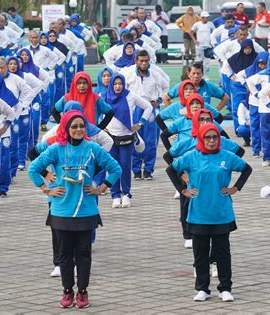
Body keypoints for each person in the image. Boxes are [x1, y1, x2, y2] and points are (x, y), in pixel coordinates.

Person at [28, 110, 121, 309]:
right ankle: (67, 291)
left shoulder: (93, 148)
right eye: (74, 126)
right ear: (66, 128)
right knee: (64, 255)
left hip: (86, 210)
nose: (78, 129)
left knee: (84, 254)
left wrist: (101, 188)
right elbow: (33, 167)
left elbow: (116, 168)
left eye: (81, 126)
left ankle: (83, 292)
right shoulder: (57, 148)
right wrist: (46, 189)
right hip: (61, 210)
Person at [166, 123, 252, 302]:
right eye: (207, 137)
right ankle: (202, 288)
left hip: (221, 213)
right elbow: (171, 169)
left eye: (214, 137)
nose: (211, 141)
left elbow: (247, 169)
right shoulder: (191, 156)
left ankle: (225, 288)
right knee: (200, 253)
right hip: (198, 213)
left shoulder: (227, 157)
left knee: (222, 253)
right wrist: (183, 190)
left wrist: (236, 188)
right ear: (201, 138)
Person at [120, 49, 169, 180]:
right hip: (134, 109)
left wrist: (158, 100)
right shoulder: (128, 73)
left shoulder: (154, 74)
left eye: (146, 61)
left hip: (150, 109)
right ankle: (136, 170)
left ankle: (148, 170)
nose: (144, 63)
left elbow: (166, 87)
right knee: (135, 139)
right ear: (136, 61)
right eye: (141, 61)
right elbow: (119, 87)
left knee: (150, 141)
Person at [104, 73, 151, 208]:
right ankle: (115, 195)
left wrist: (140, 123)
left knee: (125, 166)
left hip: (127, 137)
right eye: (115, 84)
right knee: (112, 167)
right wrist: (102, 128)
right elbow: (98, 112)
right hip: (110, 138)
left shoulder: (130, 95)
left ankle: (125, 194)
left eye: (120, 84)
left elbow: (148, 107)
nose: (118, 86)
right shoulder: (105, 97)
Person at [246, 52, 270, 168]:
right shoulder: (262, 74)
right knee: (266, 133)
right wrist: (256, 94)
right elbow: (249, 81)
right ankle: (267, 157)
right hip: (265, 108)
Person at [163, 63, 229, 110]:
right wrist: (174, 113)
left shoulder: (209, 86)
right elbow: (165, 98)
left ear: (202, 74)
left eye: (198, 73)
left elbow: (225, 97)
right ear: (189, 74)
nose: (196, 76)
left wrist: (215, 111)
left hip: (203, 119)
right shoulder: (181, 86)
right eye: (193, 73)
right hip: (186, 120)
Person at [191, 12, 215, 80]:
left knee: (207, 62)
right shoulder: (197, 24)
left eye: (207, 17)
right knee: (198, 61)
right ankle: (197, 75)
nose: (207, 18)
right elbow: (191, 32)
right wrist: (195, 40)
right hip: (199, 46)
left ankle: (206, 76)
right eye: (205, 17)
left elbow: (214, 32)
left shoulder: (210, 24)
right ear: (202, 17)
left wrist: (211, 40)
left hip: (208, 46)